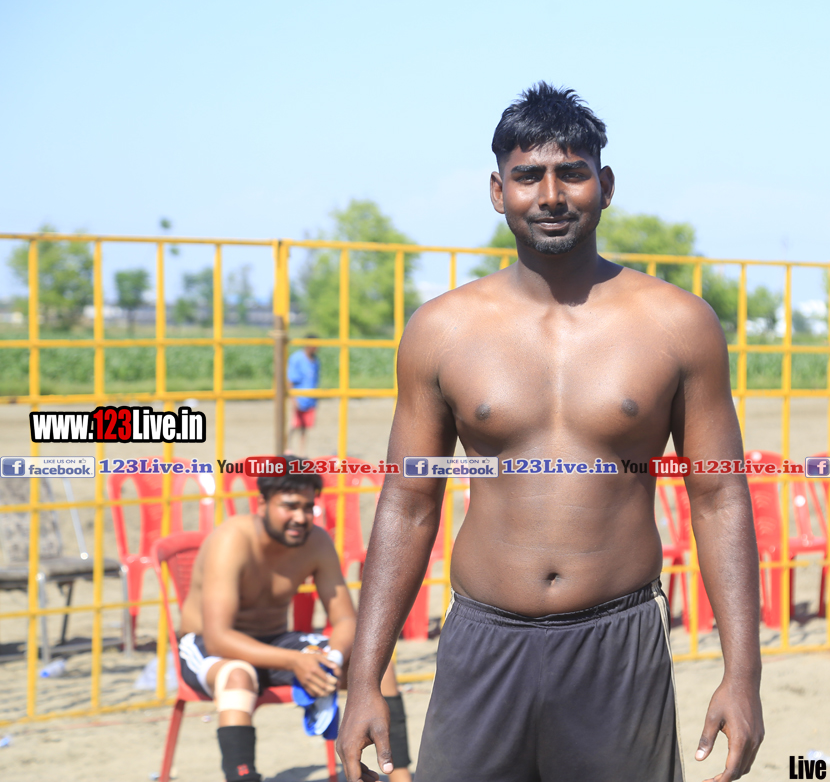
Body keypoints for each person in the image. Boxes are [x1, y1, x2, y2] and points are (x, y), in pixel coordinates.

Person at [338, 83, 764, 782]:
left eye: (571, 172)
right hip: (484, 641)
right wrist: (365, 678)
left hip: (617, 643)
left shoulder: (677, 323)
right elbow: (408, 503)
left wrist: (742, 676)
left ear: (606, 184)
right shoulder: (442, 330)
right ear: (498, 191)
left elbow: (719, 497)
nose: (551, 195)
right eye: (528, 175)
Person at [178, 459, 411, 782]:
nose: (300, 517)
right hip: (210, 646)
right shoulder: (231, 540)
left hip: (275, 641)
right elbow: (218, 638)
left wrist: (332, 658)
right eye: (289, 506)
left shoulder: (316, 541)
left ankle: (400, 776)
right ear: (262, 503)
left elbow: (346, 618)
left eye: (307, 507)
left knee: (377, 666)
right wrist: (296, 661)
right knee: (238, 675)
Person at [288, 334, 320, 455]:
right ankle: (288, 449)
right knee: (293, 425)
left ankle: (302, 452)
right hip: (299, 398)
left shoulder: (315, 361)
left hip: (310, 399)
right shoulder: (297, 359)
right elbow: (290, 380)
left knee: (305, 427)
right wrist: (293, 399)